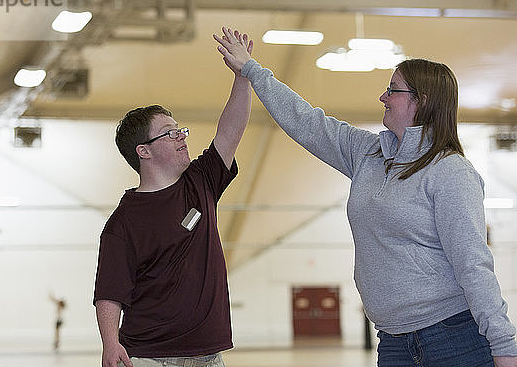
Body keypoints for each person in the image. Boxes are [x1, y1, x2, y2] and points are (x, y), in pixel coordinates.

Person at [214, 27, 517, 367]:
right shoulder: (367, 154)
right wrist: (252, 71)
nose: (383, 97)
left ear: (422, 102)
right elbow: (306, 122)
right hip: (393, 340)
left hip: (452, 338)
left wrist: (504, 345)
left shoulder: (451, 172)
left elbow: (472, 263)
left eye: (393, 90)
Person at [94, 28, 253, 367]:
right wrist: (110, 344)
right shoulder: (123, 224)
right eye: (169, 133)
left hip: (209, 355)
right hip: (150, 356)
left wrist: (244, 76)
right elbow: (110, 292)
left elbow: (230, 130)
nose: (181, 137)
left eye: (180, 129)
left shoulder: (201, 181)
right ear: (144, 152)